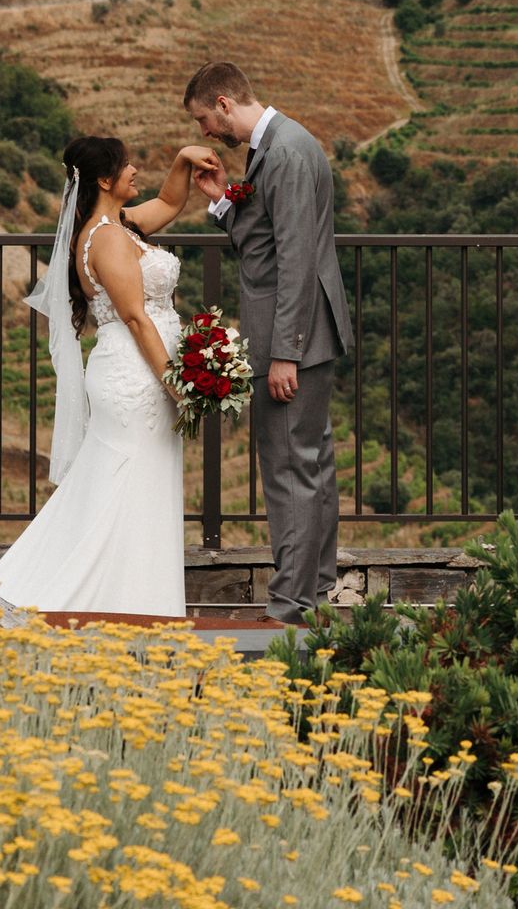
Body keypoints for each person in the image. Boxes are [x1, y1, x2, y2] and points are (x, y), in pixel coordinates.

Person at [0, 132, 219, 618]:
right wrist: (175, 382)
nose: (137, 171)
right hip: (137, 376)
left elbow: (171, 202)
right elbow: (136, 317)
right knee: (123, 488)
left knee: (126, 489)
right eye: (128, 165)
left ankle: (134, 600)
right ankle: (108, 604)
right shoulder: (108, 238)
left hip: (138, 372)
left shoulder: (121, 223)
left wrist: (182, 159)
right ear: (105, 180)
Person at [184, 60, 352, 623]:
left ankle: (290, 604)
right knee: (311, 465)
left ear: (226, 103)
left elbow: (298, 261)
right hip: (301, 336)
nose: (206, 132)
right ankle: (316, 589)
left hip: (294, 342)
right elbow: (265, 244)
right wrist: (223, 200)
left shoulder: (281, 154)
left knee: (287, 469)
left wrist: (285, 352)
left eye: (205, 118)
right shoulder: (274, 148)